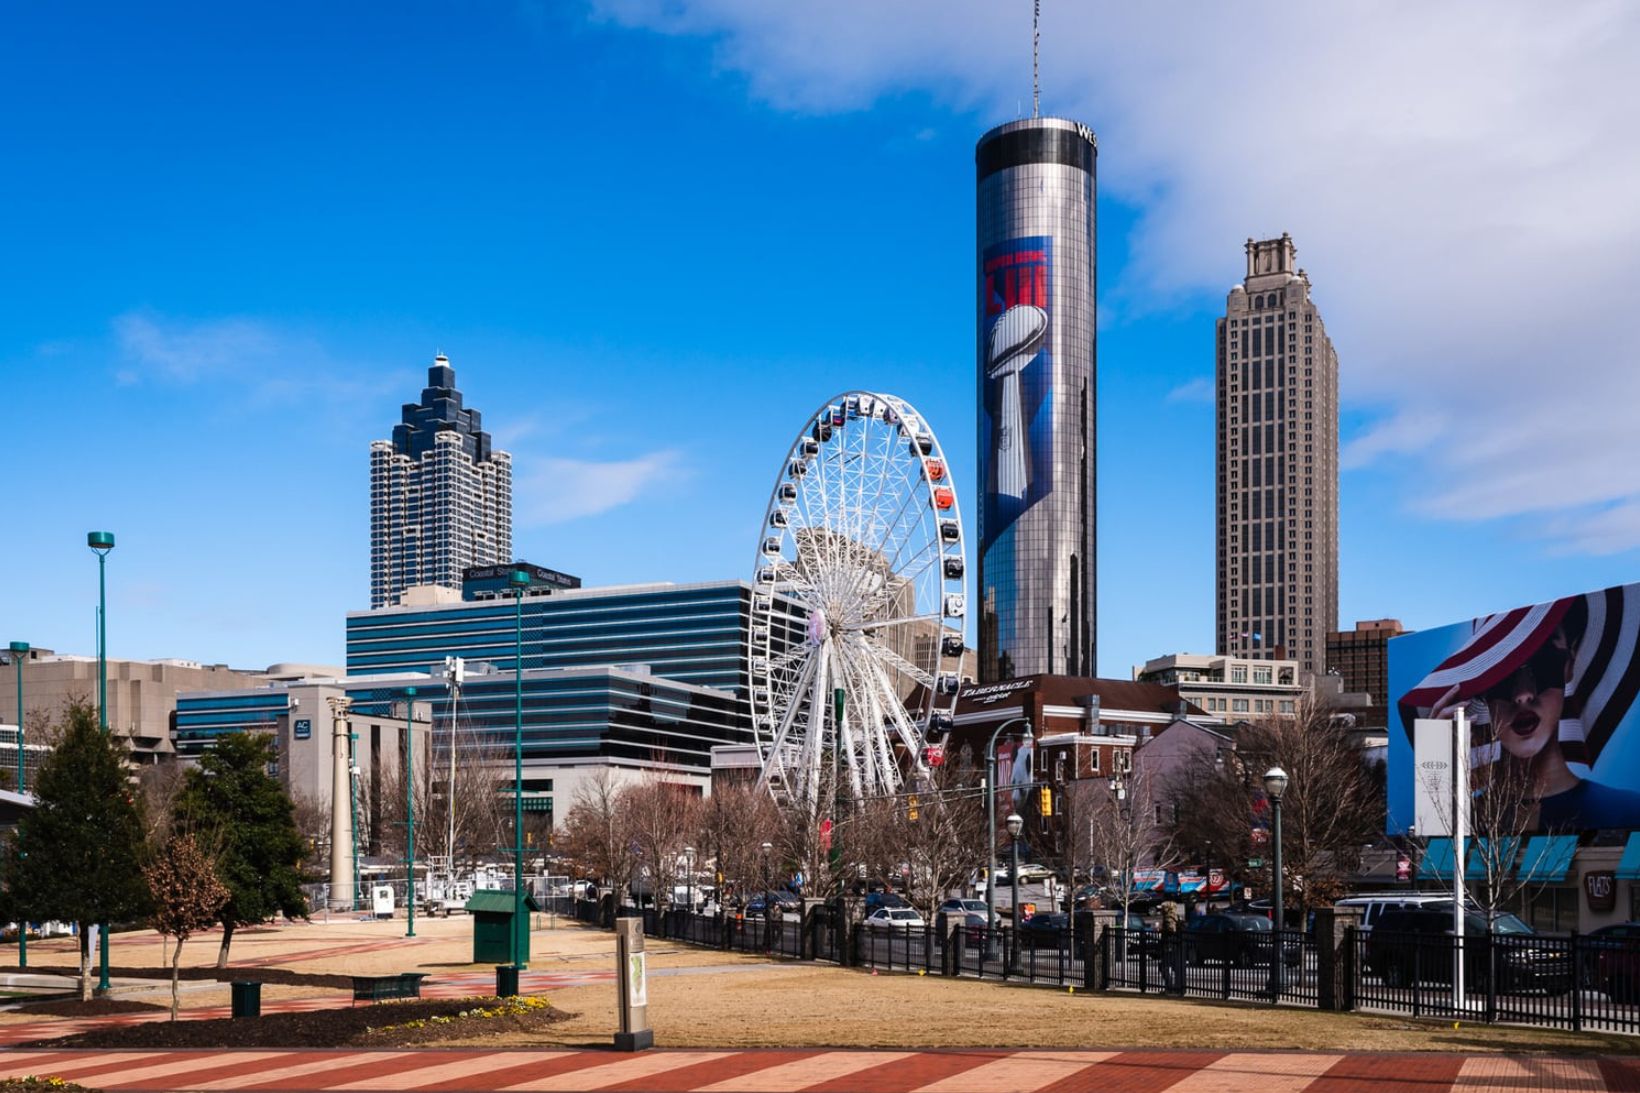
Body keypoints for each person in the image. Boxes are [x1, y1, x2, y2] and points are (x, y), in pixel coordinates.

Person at [1400, 586, 1640, 831]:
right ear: (1482, 692)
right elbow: (1434, 857)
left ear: (1569, 665)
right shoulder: (1466, 818)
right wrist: (1436, 756)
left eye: (1545, 664)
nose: (1523, 694)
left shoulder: (1628, 811)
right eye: (1502, 675)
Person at [1158, 897, 1184, 992]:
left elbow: (1171, 930)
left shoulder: (1169, 918)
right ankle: (1176, 987)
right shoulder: (1177, 916)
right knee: (1175, 968)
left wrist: (1162, 930)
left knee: (1163, 966)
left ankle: (1170, 987)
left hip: (1169, 946)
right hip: (1175, 945)